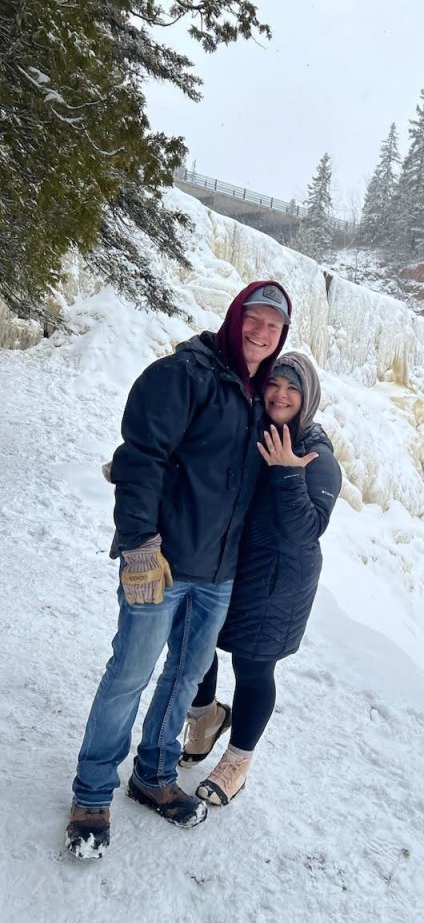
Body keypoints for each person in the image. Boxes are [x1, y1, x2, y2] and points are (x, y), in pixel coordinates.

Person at [65, 280, 292, 859]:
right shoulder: (186, 374)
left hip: (218, 574)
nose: (261, 332)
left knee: (183, 680)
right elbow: (141, 457)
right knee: (129, 675)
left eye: (273, 325)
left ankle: (155, 774)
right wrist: (139, 543)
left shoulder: (263, 395)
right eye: (254, 318)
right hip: (161, 563)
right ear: (235, 316)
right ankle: (93, 792)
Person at [179, 351, 342, 806]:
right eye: (275, 384)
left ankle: (238, 761)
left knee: (252, 667)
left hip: (279, 581)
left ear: (307, 396)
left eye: (293, 388)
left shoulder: (317, 456)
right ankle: (206, 716)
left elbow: (307, 532)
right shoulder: (254, 427)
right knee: (198, 644)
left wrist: (289, 473)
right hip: (231, 563)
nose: (281, 394)